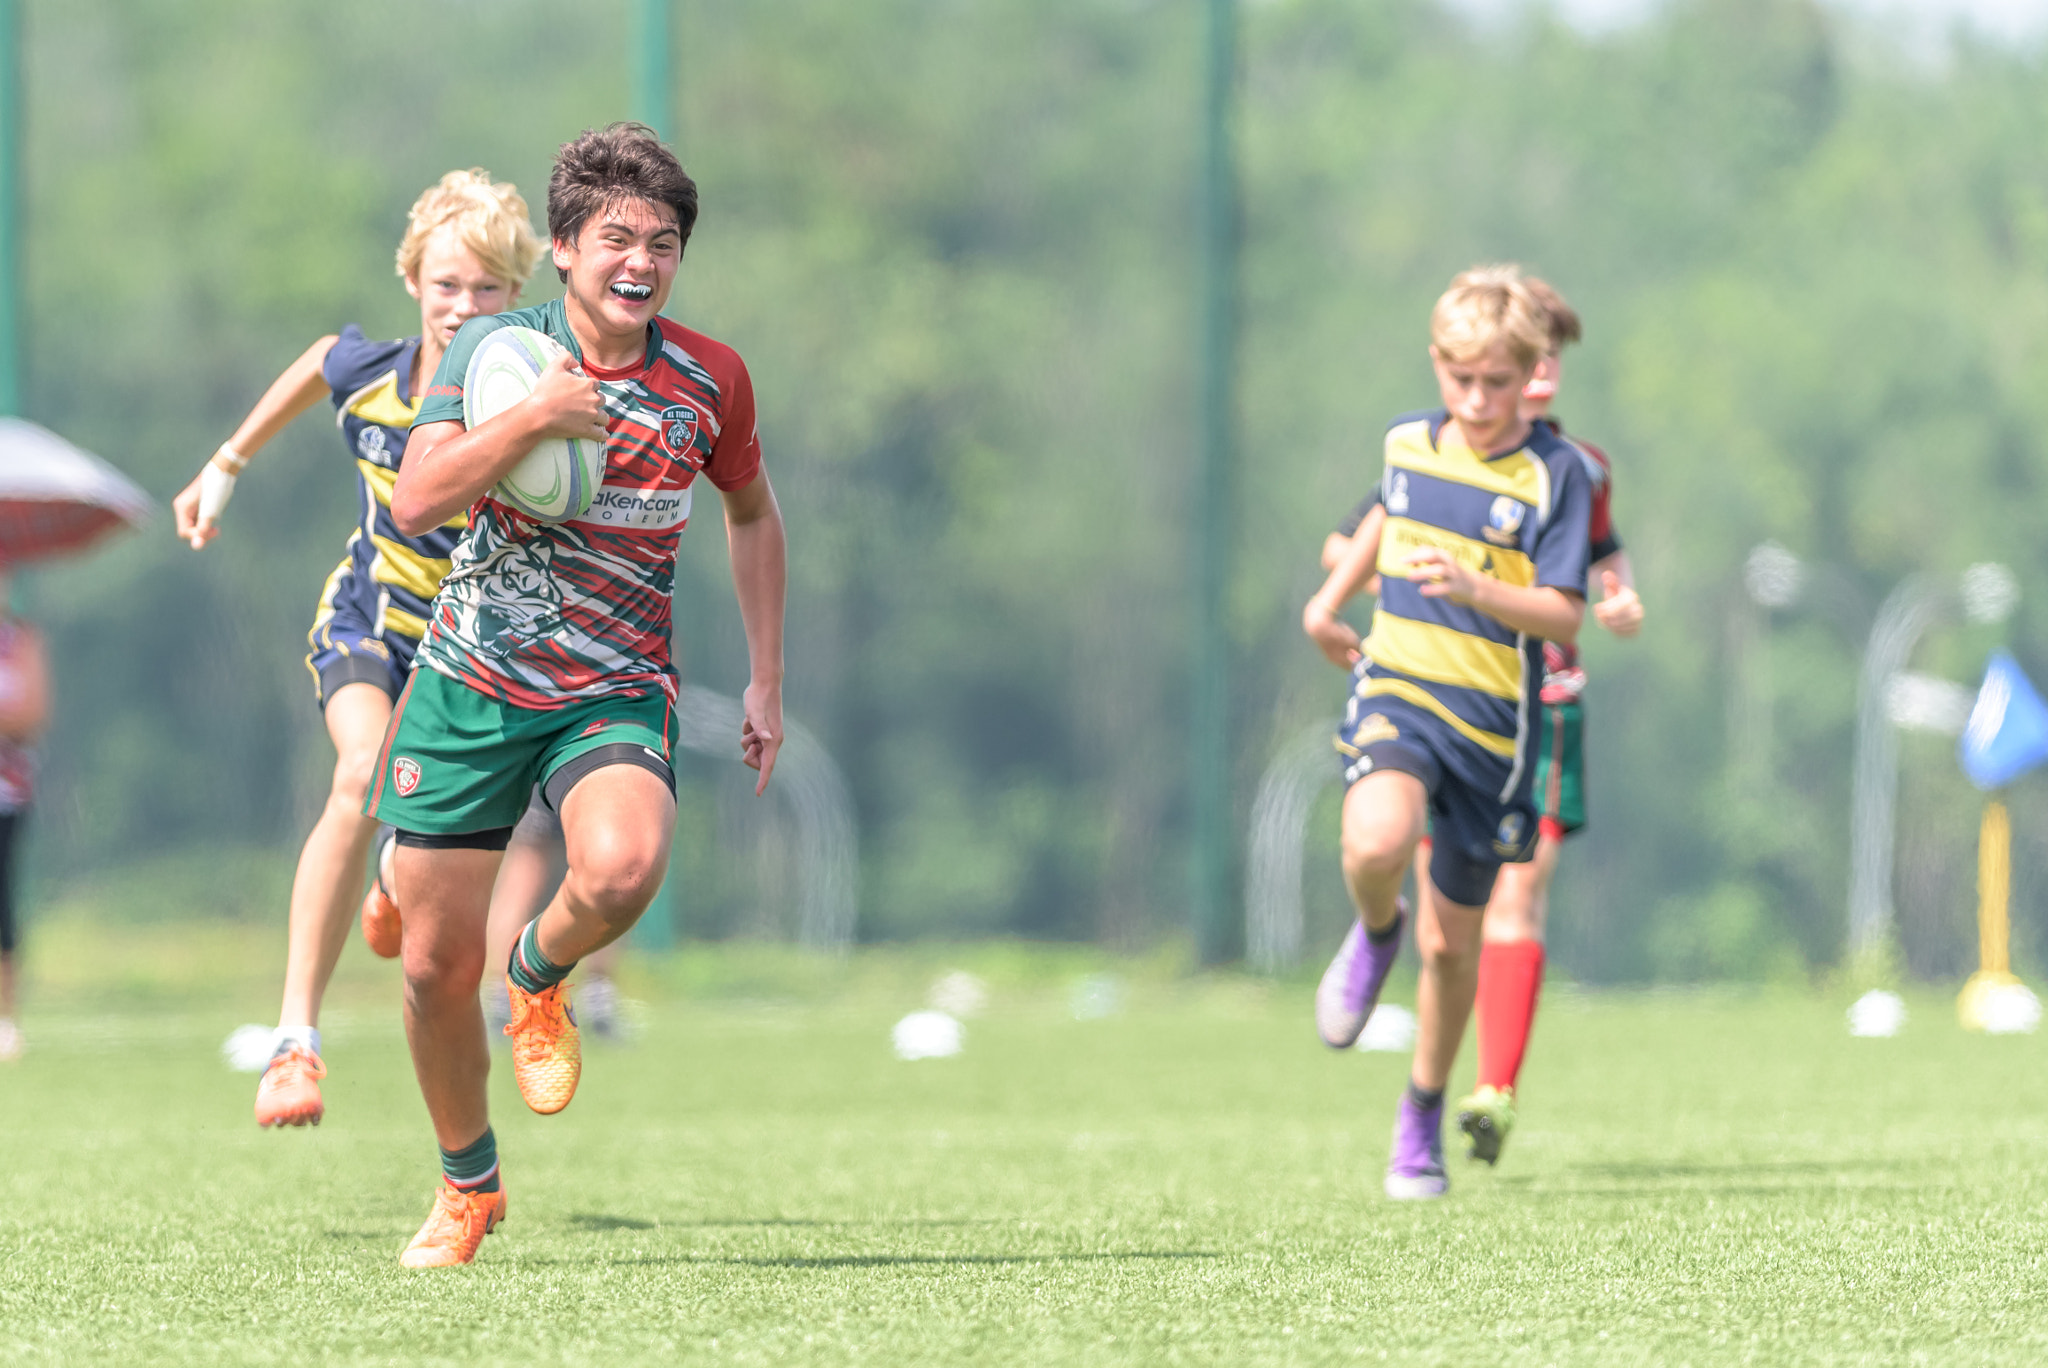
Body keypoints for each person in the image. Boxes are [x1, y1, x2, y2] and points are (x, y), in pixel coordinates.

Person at [372, 123, 785, 1267]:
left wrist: (764, 676)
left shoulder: (710, 379)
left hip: (611, 685)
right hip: (469, 682)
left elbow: (753, 515)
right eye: (615, 238)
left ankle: (540, 977)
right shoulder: (498, 348)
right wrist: (534, 421)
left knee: (620, 867)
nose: (639, 261)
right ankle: (468, 1186)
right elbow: (416, 499)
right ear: (562, 248)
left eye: (661, 241)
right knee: (424, 969)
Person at [172, 170, 548, 1128]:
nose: (466, 307)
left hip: (470, 654)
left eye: (490, 289)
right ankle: (295, 1043)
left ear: (518, 294)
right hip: (370, 622)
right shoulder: (372, 376)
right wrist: (225, 463)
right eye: (448, 285)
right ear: (413, 280)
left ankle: (389, 876)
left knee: (439, 865)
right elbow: (316, 361)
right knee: (360, 772)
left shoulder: (527, 397)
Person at [1313, 277, 1644, 1168]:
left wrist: (1484, 590)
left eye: (1500, 380)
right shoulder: (1409, 443)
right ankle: (1376, 932)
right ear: (1439, 365)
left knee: (1453, 938)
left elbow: (1569, 605)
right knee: (1376, 844)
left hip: (1496, 728)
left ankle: (1428, 1102)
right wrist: (1328, 602)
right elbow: (1378, 519)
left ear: (1537, 370)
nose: (1481, 400)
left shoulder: (1566, 473)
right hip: (1402, 687)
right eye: (1464, 379)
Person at [0, 574, 48, 1060]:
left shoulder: (22, 642)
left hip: (6, 793)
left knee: (3, 906)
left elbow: (31, 713)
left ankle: (5, 1019)